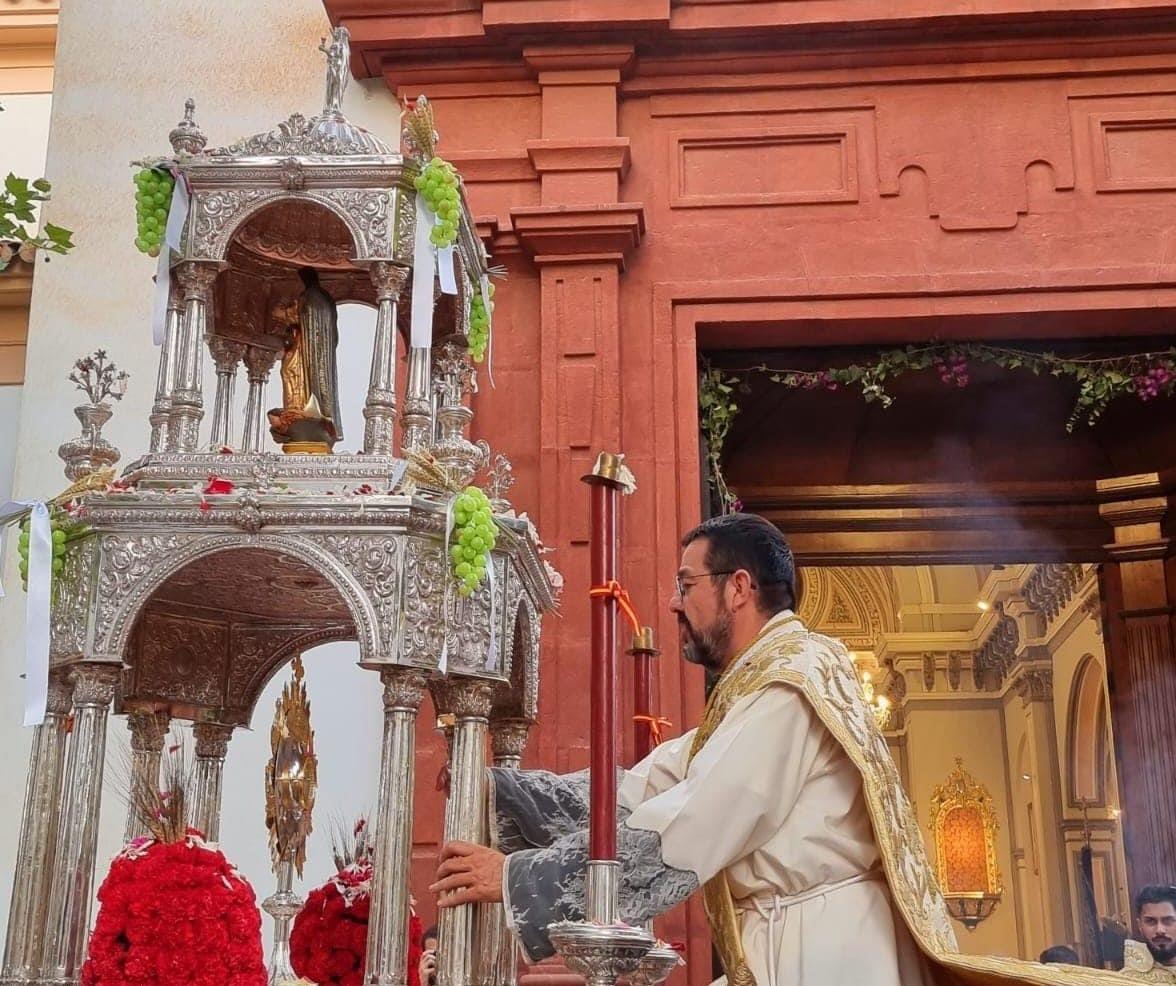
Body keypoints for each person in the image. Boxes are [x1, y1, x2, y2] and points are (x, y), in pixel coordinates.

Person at [432, 514, 1136, 986]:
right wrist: (504, 794)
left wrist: (523, 878)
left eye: (686, 585)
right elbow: (655, 783)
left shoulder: (794, 681)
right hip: (794, 940)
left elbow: (699, 817)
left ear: (738, 588)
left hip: (822, 951)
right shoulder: (762, 683)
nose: (675, 604)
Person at [1123, 886, 1176, 981]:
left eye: (1168, 920)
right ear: (1140, 925)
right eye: (1151, 921)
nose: (1160, 930)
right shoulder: (1126, 980)